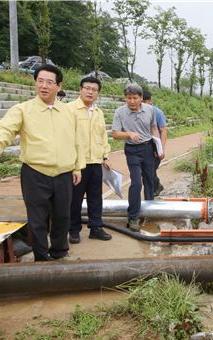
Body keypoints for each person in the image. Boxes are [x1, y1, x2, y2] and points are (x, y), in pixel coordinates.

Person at [0, 64, 85, 261]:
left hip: (64, 174)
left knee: (62, 216)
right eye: (40, 81)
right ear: (35, 83)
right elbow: (5, 129)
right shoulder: (23, 110)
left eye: (49, 82)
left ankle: (59, 252)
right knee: (37, 219)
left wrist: (77, 168)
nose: (44, 86)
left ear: (58, 86)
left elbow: (77, 141)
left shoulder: (68, 112)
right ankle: (41, 256)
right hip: (35, 172)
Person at [68, 76, 112, 244]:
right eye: (87, 88)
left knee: (96, 197)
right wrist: (74, 166)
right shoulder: (70, 109)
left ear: (98, 94)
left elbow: (103, 136)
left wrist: (105, 156)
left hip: (95, 162)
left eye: (94, 90)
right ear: (80, 89)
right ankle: (73, 230)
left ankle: (96, 228)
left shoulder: (98, 112)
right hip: (77, 164)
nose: (90, 92)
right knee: (75, 199)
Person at [111, 84, 159, 232]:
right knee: (137, 183)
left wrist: (158, 147)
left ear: (141, 98)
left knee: (149, 180)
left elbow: (154, 128)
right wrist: (129, 134)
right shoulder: (119, 112)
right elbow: (115, 134)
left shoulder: (150, 110)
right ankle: (133, 217)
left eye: (135, 98)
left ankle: (150, 212)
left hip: (148, 148)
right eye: (128, 98)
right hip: (132, 150)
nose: (131, 101)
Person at [142, 88, 166, 197]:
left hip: (155, 146)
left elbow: (163, 131)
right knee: (146, 172)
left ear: (150, 101)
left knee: (150, 171)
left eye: (144, 102)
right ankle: (157, 186)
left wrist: (161, 149)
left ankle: (151, 193)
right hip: (143, 147)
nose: (142, 104)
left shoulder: (157, 112)